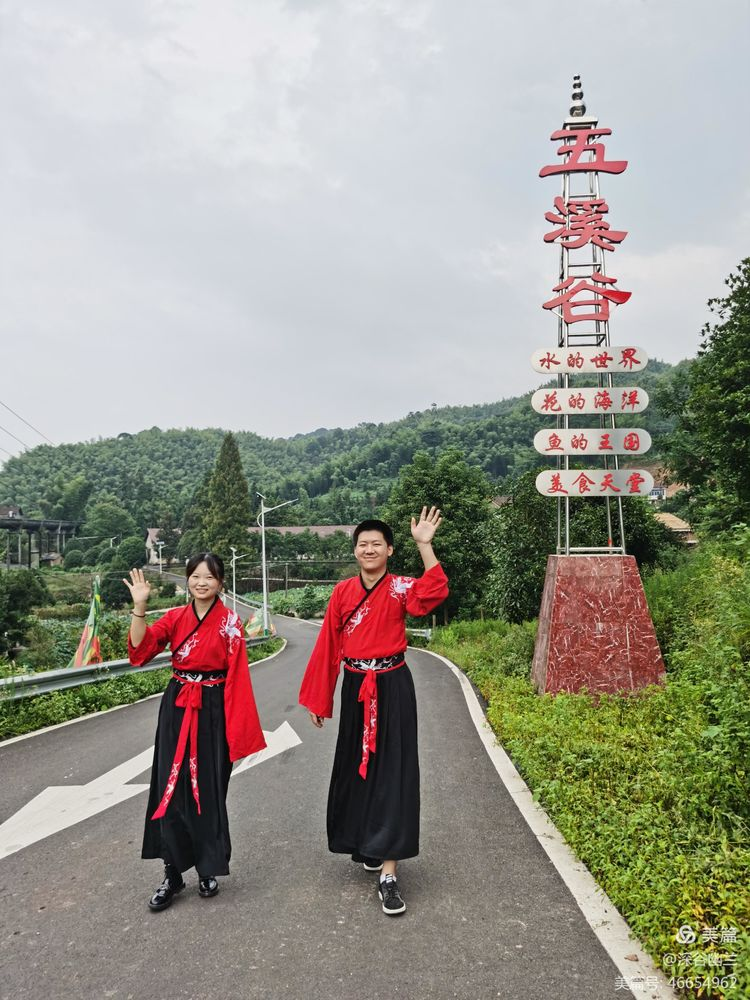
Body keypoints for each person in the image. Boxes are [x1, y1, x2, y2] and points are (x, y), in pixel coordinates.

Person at [299, 506, 448, 916]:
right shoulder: (343, 592)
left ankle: (388, 872)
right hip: (355, 689)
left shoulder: (401, 587)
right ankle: (368, 842)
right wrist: (319, 697)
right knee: (356, 768)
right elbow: (329, 643)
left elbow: (433, 593)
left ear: (390, 550)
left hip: (393, 686)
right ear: (356, 551)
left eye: (376, 544)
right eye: (362, 544)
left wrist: (426, 546)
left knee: (393, 772)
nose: (369, 549)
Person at [125, 554, 266, 911]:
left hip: (214, 710)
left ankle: (207, 869)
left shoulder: (231, 624)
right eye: (195, 576)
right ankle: (172, 874)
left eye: (210, 577)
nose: (201, 582)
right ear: (188, 580)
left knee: (209, 789)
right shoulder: (173, 618)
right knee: (169, 791)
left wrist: (238, 733)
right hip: (177, 707)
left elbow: (239, 682)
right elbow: (140, 650)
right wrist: (139, 608)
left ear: (221, 583)